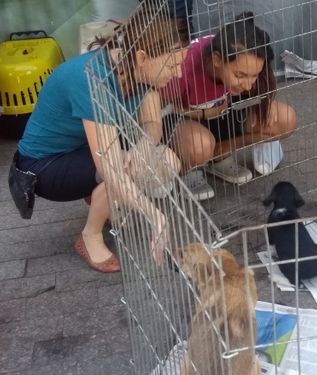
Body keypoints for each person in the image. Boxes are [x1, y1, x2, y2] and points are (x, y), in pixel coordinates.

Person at [13, 5, 189, 272]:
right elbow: (110, 165)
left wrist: (141, 147)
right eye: (174, 64)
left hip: (83, 149)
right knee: (122, 169)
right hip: (41, 167)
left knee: (165, 160)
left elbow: (153, 124)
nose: (177, 73)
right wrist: (156, 217)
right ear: (143, 57)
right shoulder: (94, 79)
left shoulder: (139, 70)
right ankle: (90, 236)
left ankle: (99, 196)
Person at [161, 12, 297, 200]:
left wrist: (268, 100)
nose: (249, 85)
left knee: (284, 119)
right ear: (217, 60)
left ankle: (219, 156)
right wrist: (200, 113)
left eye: (254, 75)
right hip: (184, 122)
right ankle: (188, 167)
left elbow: (262, 79)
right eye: (240, 75)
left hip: (222, 113)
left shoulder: (249, 56)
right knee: (199, 145)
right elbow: (158, 112)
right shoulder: (183, 67)